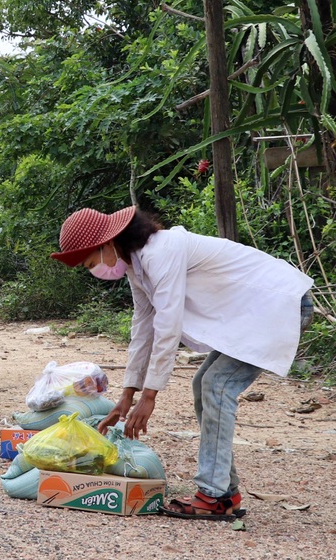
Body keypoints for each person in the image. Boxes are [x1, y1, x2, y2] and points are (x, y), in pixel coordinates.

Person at [51, 206, 314, 520]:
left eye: (90, 262)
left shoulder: (163, 251)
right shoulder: (136, 264)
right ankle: (225, 493)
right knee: (204, 384)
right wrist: (127, 395)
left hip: (279, 303)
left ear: (107, 243)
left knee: (216, 386)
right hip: (251, 313)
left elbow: (167, 325)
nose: (92, 269)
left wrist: (149, 396)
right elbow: (143, 325)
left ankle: (213, 494)